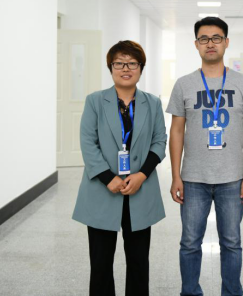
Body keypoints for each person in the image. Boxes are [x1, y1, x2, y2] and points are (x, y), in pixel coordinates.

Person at [166, 16, 243, 296]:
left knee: (231, 243)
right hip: (193, 179)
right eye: (204, 38)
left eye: (216, 38)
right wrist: (175, 176)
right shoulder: (184, 84)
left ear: (226, 42)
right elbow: (176, 131)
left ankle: (231, 292)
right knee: (189, 243)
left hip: (233, 178)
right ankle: (190, 292)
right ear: (196, 44)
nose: (210, 43)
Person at [73, 40, 167, 296]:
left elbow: (160, 142)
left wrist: (141, 175)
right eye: (119, 63)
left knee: (138, 263)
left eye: (132, 63)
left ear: (141, 68)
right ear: (111, 67)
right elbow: (88, 142)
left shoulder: (152, 103)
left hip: (140, 190)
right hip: (102, 190)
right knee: (100, 264)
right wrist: (108, 178)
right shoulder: (95, 101)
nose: (126, 68)